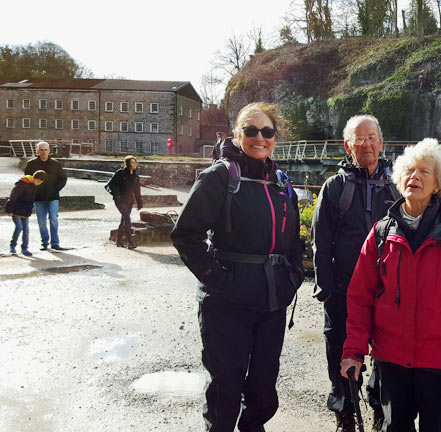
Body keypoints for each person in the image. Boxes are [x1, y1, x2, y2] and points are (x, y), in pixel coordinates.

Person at [171, 102, 304, 432]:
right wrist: (219, 280)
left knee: (263, 390)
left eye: (267, 132)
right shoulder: (219, 177)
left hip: (272, 304)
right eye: (251, 131)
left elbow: (294, 241)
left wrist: (294, 275)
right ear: (236, 134)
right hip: (226, 304)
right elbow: (186, 235)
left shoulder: (282, 184)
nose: (260, 137)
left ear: (275, 137)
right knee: (225, 391)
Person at [340, 138, 441, 432]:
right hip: (391, 360)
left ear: (438, 184)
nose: (414, 177)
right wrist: (354, 350)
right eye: (408, 170)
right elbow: (360, 296)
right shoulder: (382, 232)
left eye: (424, 172)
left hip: (438, 363)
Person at [311, 114, 400, 432]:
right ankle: (344, 413)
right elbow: (320, 241)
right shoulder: (335, 187)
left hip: (388, 291)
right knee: (341, 352)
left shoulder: (396, 185)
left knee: (387, 355)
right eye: (359, 139)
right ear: (348, 146)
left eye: (372, 137)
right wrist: (326, 290)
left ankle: (379, 408)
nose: (366, 144)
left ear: (381, 143)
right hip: (344, 289)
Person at [24, 141, 67, 250]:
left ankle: (55, 243)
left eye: (45, 150)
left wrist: (56, 189)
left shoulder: (56, 164)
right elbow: (27, 179)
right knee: (41, 221)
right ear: (37, 151)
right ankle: (44, 243)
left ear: (49, 151)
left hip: (53, 197)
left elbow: (63, 178)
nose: (43, 152)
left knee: (53, 218)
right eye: (41, 150)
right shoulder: (31, 164)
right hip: (38, 197)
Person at [5, 170, 47, 256]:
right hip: (16, 210)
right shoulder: (22, 184)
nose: (39, 183)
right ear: (34, 178)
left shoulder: (34, 186)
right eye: (38, 181)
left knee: (26, 230)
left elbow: (31, 200)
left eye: (40, 182)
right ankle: (12, 246)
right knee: (19, 227)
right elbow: (13, 196)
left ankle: (24, 248)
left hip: (25, 212)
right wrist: (10, 210)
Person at [105, 155, 143, 249]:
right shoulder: (120, 173)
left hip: (129, 201)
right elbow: (111, 184)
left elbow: (137, 191)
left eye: (135, 162)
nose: (135, 164)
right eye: (132, 162)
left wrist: (139, 202)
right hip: (120, 200)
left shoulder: (135, 176)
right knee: (127, 219)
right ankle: (130, 242)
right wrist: (117, 195)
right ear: (128, 163)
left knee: (123, 220)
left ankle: (118, 241)